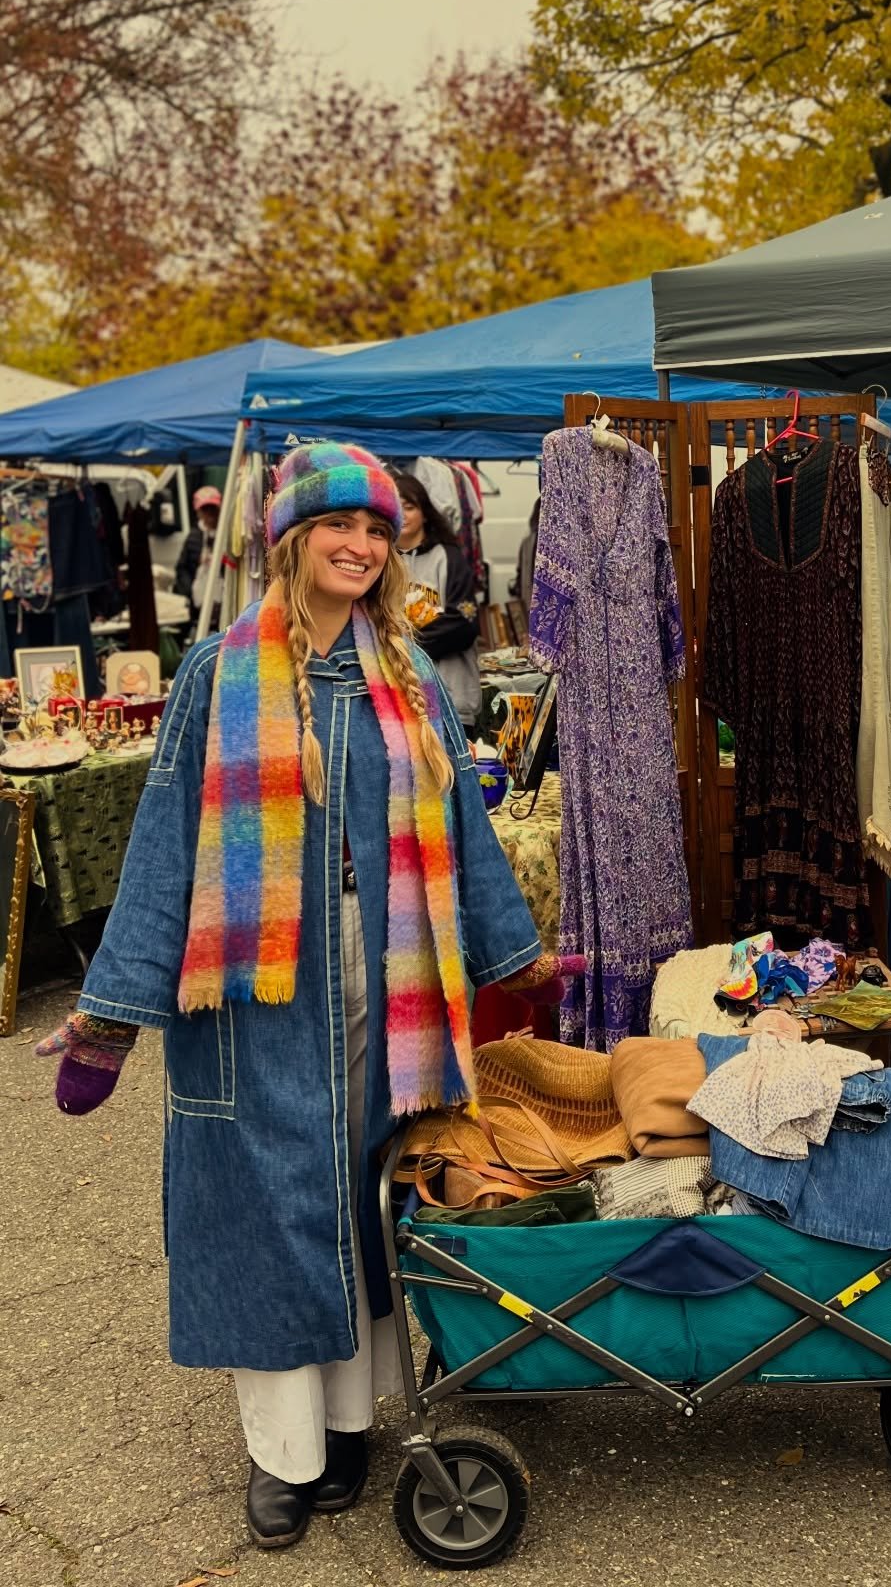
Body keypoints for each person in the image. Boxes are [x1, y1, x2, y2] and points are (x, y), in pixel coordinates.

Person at [35, 442, 576, 1551]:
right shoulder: (218, 672)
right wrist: (109, 1016)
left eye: (377, 530)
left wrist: (511, 953)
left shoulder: (404, 673)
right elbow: (164, 841)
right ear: (290, 539)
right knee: (271, 1208)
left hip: (386, 973)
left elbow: (461, 824)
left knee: (364, 1196)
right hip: (251, 990)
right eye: (340, 526)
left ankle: (349, 1423)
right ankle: (282, 1453)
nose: (361, 546)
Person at [393, 472, 482, 733]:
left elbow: (464, 623)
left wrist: (402, 646)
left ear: (425, 512)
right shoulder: (381, 561)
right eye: (396, 507)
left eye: (409, 507)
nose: (403, 515)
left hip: (451, 699)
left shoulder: (449, 557)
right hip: (401, 702)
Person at [174, 484, 223, 634]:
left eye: (212, 509)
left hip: (221, 595)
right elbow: (182, 567)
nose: (209, 514)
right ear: (198, 512)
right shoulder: (194, 536)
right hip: (198, 599)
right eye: (205, 510)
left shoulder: (224, 534)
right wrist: (189, 591)